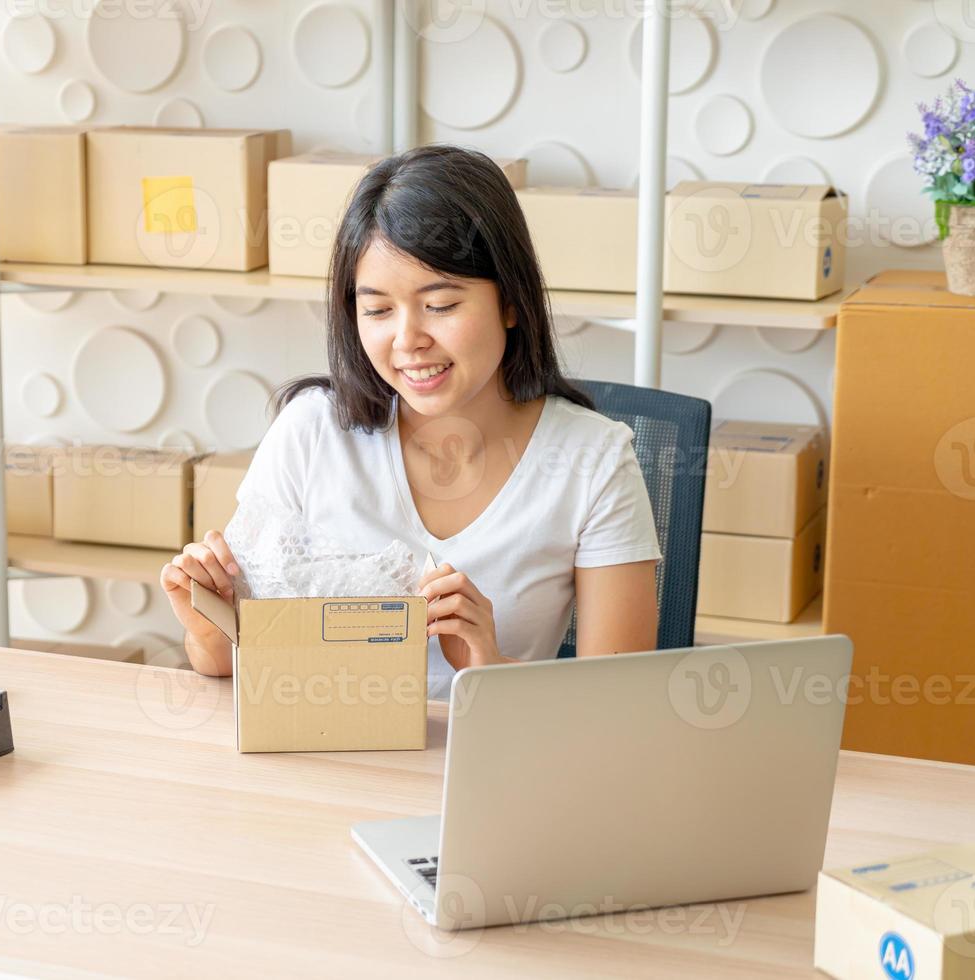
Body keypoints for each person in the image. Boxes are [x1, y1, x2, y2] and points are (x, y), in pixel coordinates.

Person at [159, 144, 661, 699]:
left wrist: (488, 667)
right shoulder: (310, 433)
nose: (407, 340)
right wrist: (209, 626)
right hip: (329, 757)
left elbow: (618, 701)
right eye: (377, 310)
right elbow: (228, 664)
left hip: (488, 766)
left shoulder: (594, 460)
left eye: (441, 304)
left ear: (512, 303)